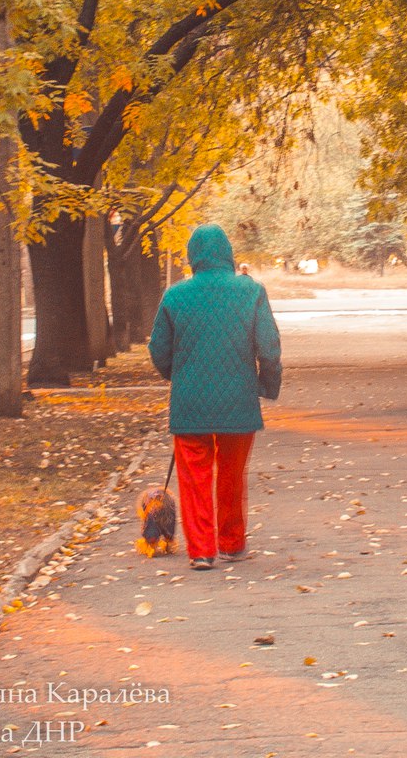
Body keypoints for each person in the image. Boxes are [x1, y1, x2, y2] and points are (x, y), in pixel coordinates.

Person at [148, 224, 282, 571]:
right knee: (232, 475)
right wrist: (265, 385)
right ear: (228, 254)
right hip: (238, 402)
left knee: (194, 479)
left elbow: (158, 349)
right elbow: (268, 347)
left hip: (189, 404)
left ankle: (202, 551)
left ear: (192, 258)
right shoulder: (250, 292)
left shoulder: (175, 296)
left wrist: (176, 377)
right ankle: (232, 545)